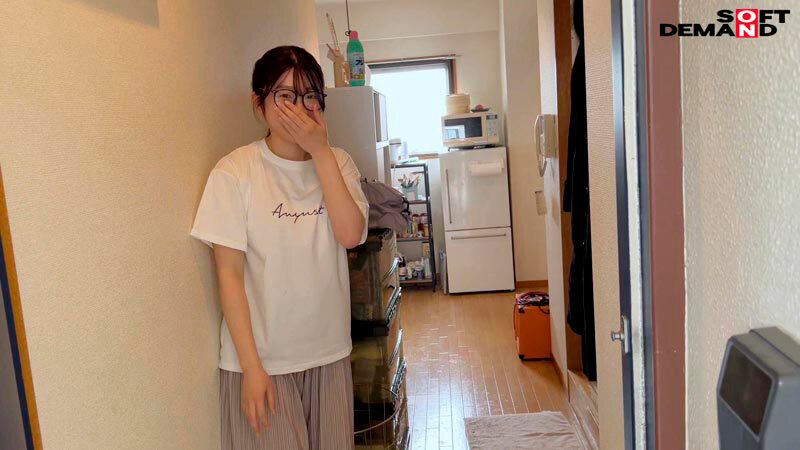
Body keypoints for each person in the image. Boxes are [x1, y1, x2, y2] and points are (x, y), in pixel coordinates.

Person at [190, 45, 368, 450]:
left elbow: (350, 235)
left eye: (309, 96)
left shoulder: (338, 162)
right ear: (259, 101)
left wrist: (320, 150)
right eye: (285, 95)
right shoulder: (235, 171)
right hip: (262, 364)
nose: (298, 108)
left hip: (329, 353)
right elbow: (228, 276)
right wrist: (251, 368)